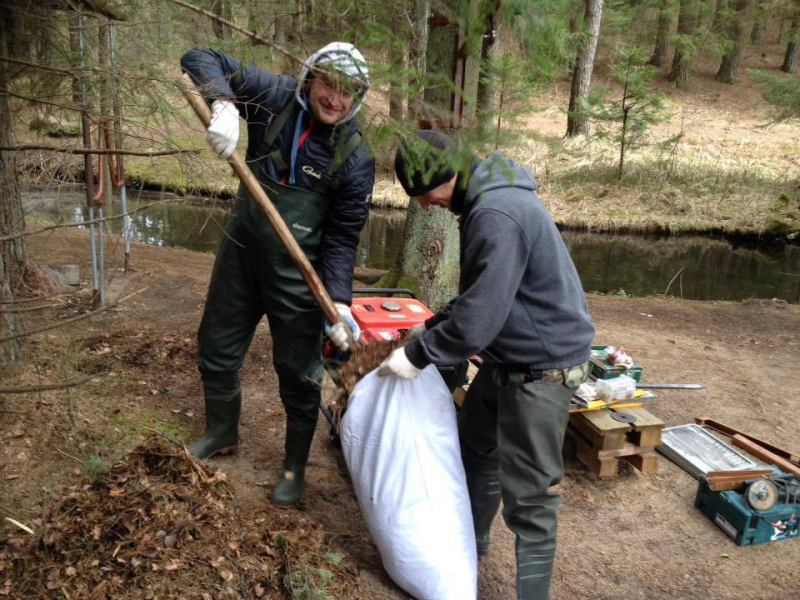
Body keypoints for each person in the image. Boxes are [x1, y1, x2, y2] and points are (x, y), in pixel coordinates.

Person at [379, 130, 595, 599]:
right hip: (506, 358)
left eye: (423, 194)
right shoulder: (485, 199)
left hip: (543, 367)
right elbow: (483, 294)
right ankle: (468, 548)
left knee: (530, 499)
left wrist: (417, 355)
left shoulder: (496, 212)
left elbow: (479, 320)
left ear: (448, 177)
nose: (423, 206)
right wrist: (432, 325)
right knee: (476, 450)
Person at [180, 43, 374, 506]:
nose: (335, 99)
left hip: (297, 276)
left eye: (348, 92)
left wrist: (339, 301)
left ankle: (294, 467)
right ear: (310, 77)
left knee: (300, 372)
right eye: (329, 84)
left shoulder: (354, 157)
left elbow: (342, 240)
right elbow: (200, 57)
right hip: (241, 255)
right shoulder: (274, 98)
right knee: (218, 346)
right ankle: (221, 431)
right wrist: (224, 105)